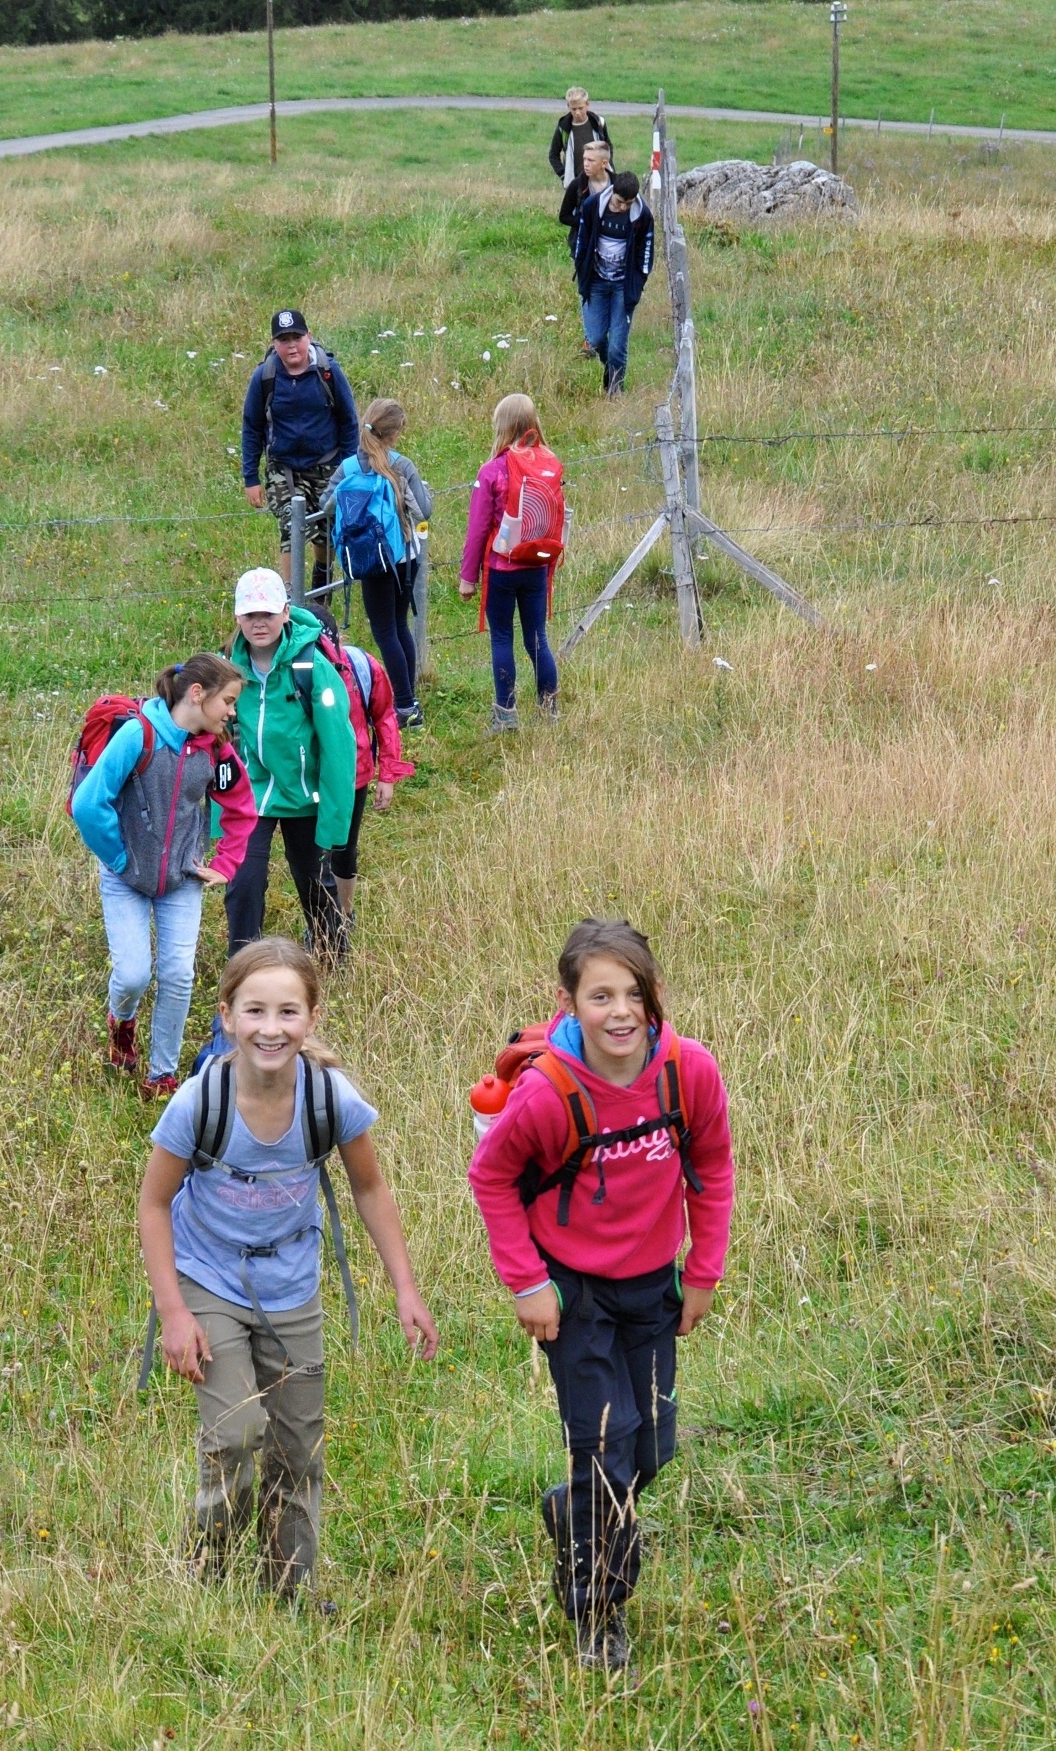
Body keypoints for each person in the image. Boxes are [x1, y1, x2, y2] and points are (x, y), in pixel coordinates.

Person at [468, 919, 734, 1670]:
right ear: (569, 1001)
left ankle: (572, 1509)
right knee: (605, 1449)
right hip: (574, 1294)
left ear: (654, 998)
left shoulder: (690, 1073)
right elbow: (490, 1177)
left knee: (651, 1446)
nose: (620, 1012)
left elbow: (710, 1168)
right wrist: (529, 1284)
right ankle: (598, 1613)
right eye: (600, 995)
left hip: (653, 1288)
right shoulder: (550, 1094)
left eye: (634, 993)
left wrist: (703, 1272)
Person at [139, 935, 438, 1596]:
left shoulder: (330, 1098)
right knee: (238, 1432)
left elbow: (370, 1188)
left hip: (292, 1288)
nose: (270, 1029)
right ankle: (206, 1579)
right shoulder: (199, 1102)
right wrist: (174, 1313)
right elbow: (155, 1204)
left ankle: (288, 1590)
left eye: (286, 1013)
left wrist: (405, 1288)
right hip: (210, 1280)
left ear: (311, 1017)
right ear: (226, 1016)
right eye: (254, 1012)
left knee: (298, 1451)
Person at [71, 655, 256, 1099]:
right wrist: (120, 858)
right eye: (228, 701)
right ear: (198, 694)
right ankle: (122, 1023)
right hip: (125, 878)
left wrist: (224, 865)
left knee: (177, 975)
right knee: (133, 974)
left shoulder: (215, 747)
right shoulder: (139, 734)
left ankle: (162, 1076)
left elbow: (242, 809)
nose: (232, 712)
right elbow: (87, 804)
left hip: (182, 879)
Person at [223, 568, 357, 963]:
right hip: (253, 798)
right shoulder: (228, 671)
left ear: (285, 613)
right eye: (250, 615)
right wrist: (219, 813)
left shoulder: (312, 668)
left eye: (267, 613)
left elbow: (339, 749)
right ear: (238, 619)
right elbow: (215, 740)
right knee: (243, 885)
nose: (259, 623)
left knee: (314, 885)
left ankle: (332, 955)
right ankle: (243, 967)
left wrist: (335, 822)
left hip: (305, 798)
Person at [322, 398, 432, 729]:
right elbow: (423, 512)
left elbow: (326, 506)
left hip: (368, 559)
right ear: (396, 433)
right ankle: (407, 701)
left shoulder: (348, 469)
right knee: (397, 626)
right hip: (403, 558)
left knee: (385, 629)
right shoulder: (402, 465)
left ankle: (404, 704)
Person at [241, 309, 359, 603]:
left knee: (326, 533)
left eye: (296, 337)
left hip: (328, 466)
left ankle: (322, 586)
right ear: (274, 343)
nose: (291, 346)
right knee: (291, 527)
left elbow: (349, 421)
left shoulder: (328, 372)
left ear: (308, 337)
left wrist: (351, 469)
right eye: (283, 340)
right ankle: (290, 600)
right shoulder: (265, 377)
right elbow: (252, 425)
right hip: (284, 468)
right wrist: (251, 477)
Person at [458, 393, 560, 735]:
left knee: (502, 638)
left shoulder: (491, 471)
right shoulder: (548, 462)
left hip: (502, 569)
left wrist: (468, 577)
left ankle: (506, 716)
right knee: (537, 639)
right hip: (537, 565)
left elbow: (477, 530)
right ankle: (549, 709)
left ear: (501, 426)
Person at [315, 631, 414, 931]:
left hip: (352, 774)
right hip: (310, 777)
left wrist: (388, 774)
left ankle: (344, 916)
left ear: (337, 641)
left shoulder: (361, 667)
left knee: (344, 848)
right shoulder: (294, 672)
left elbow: (384, 715)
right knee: (315, 854)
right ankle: (319, 923)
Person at [574, 170, 655, 397]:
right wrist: (582, 273)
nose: (623, 208)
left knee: (617, 346)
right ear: (613, 193)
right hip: (595, 283)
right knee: (596, 339)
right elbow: (581, 242)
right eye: (620, 202)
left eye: (628, 204)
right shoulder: (592, 206)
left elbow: (646, 254)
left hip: (623, 286)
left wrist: (636, 285)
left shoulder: (643, 217)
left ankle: (615, 391)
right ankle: (608, 368)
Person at [559, 138, 613, 257]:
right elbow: (564, 216)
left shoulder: (616, 184)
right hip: (583, 246)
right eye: (584, 159)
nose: (585, 164)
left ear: (604, 163)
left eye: (591, 160)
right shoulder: (577, 185)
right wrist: (585, 222)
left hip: (611, 248)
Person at [549, 87, 614, 185]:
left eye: (580, 108)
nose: (577, 113)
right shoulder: (563, 128)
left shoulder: (598, 123)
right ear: (568, 106)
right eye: (573, 109)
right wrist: (563, 175)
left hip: (599, 179)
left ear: (587, 104)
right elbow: (553, 155)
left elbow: (608, 147)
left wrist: (606, 165)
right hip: (576, 182)